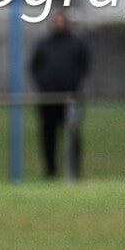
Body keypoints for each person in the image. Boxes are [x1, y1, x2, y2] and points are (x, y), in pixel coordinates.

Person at [29, 10, 91, 179]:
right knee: (48, 135)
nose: (58, 23)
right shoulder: (44, 44)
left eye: (61, 20)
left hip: (70, 97)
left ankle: (73, 171)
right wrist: (44, 84)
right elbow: (34, 67)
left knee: (72, 133)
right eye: (56, 20)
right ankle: (50, 171)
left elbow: (84, 66)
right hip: (48, 98)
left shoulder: (77, 44)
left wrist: (73, 84)